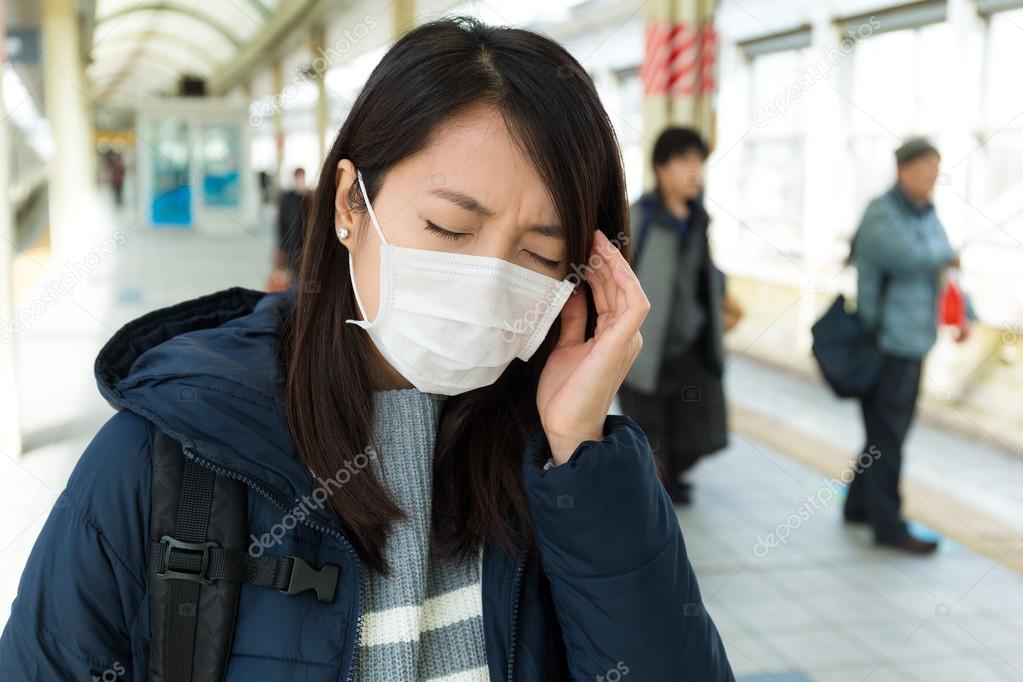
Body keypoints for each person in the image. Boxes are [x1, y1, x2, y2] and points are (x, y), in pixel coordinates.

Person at [0, 17, 734, 681]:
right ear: (351, 204)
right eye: (449, 229)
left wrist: (583, 450)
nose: (486, 284)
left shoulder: (560, 469)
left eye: (540, 255)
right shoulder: (164, 458)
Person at [843, 137, 973, 554]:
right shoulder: (883, 212)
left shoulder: (925, 212)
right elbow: (910, 257)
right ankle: (889, 525)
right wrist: (947, 253)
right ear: (904, 170)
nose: (935, 175)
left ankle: (859, 506)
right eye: (927, 166)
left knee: (886, 433)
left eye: (938, 166)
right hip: (884, 343)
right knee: (889, 437)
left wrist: (963, 312)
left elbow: (940, 267)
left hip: (915, 342)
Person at [617, 127, 738, 506]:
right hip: (647, 349)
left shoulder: (698, 218)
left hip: (690, 344)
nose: (694, 171)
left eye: (699, 162)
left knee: (696, 423)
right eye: (684, 161)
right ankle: (657, 490)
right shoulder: (641, 218)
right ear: (661, 168)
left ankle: (672, 474)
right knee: (649, 428)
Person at [271, 167, 310, 289]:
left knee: (304, 273)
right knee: (289, 274)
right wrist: (281, 247)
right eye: (299, 177)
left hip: (305, 243)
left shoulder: (309, 197)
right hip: (290, 244)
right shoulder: (287, 197)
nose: (301, 181)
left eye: (302, 177)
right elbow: (281, 223)